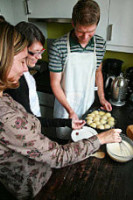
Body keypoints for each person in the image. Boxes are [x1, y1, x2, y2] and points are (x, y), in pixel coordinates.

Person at [0, 21, 122, 200]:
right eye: (21, 60)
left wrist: (67, 122)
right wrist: (101, 138)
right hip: (33, 186)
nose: (26, 67)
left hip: (43, 166)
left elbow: (31, 121)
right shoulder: (6, 113)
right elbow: (58, 156)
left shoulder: (5, 97)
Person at [48, 0, 112, 139]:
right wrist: (70, 111)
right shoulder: (58, 46)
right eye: (80, 32)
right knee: (64, 144)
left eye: (90, 32)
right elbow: (55, 83)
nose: (85, 37)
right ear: (73, 23)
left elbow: (97, 71)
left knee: (85, 143)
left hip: (87, 104)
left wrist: (102, 98)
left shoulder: (100, 44)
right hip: (65, 107)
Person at [6, 21, 86, 131]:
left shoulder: (24, 74)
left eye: (41, 51)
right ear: (21, 49)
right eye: (35, 52)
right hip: (29, 132)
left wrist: (67, 122)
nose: (39, 57)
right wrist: (65, 122)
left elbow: (32, 118)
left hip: (35, 127)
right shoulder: (16, 82)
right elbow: (28, 121)